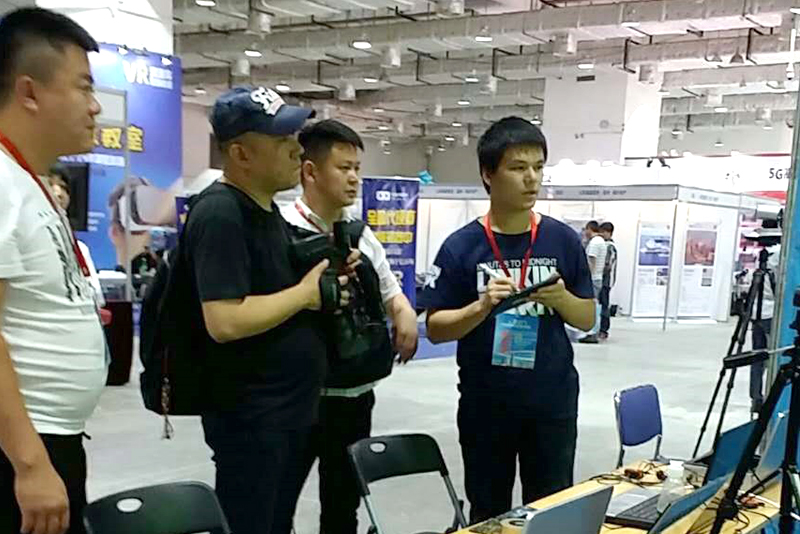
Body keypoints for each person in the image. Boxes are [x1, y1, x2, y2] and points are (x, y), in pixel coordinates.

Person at [187, 86, 356, 534]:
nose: (296, 149)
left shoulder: (264, 212)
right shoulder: (221, 214)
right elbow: (224, 320)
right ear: (241, 153)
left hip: (284, 413)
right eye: (281, 140)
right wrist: (305, 294)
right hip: (250, 419)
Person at [421, 117, 595, 523]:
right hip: (486, 405)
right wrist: (480, 307)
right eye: (518, 168)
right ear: (488, 174)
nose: (531, 178)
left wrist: (562, 299)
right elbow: (435, 327)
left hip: (551, 403)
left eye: (538, 167)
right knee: (488, 512)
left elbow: (588, 318)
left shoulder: (562, 240)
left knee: (551, 510)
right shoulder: (461, 246)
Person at [280, 119, 419, 534]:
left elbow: (392, 290)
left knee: (343, 507)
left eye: (357, 167)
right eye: (344, 168)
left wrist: (404, 313)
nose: (355, 177)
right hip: (299, 398)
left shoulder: (358, 233)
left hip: (355, 393)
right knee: (276, 506)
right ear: (310, 171)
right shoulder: (281, 230)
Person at [0, 8, 105, 534]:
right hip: (21, 448)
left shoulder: (27, 181)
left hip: (53, 437)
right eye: (83, 87)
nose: (96, 106)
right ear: (30, 92)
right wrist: (29, 463)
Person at [48, 168, 105, 309]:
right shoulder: (25, 242)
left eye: (63, 187)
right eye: (50, 185)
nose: (58, 193)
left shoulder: (80, 249)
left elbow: (97, 297)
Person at [750, 243, 781, 415]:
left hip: (757, 313)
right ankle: (771, 396)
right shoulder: (778, 254)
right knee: (774, 356)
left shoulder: (761, 255)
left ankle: (756, 397)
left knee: (757, 358)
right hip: (770, 313)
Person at [580, 220, 607, 344]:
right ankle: (593, 331)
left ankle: (592, 333)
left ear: (589, 229)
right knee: (595, 305)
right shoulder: (601, 241)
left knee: (593, 306)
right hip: (598, 277)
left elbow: (592, 261)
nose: (584, 232)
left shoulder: (595, 242)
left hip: (593, 278)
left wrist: (586, 278)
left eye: (585, 230)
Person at [598, 222, 617, 341]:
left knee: (604, 305)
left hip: (605, 281)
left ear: (609, 233)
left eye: (604, 232)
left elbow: (608, 265)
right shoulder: (605, 245)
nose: (601, 234)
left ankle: (604, 330)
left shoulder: (609, 247)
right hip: (603, 280)